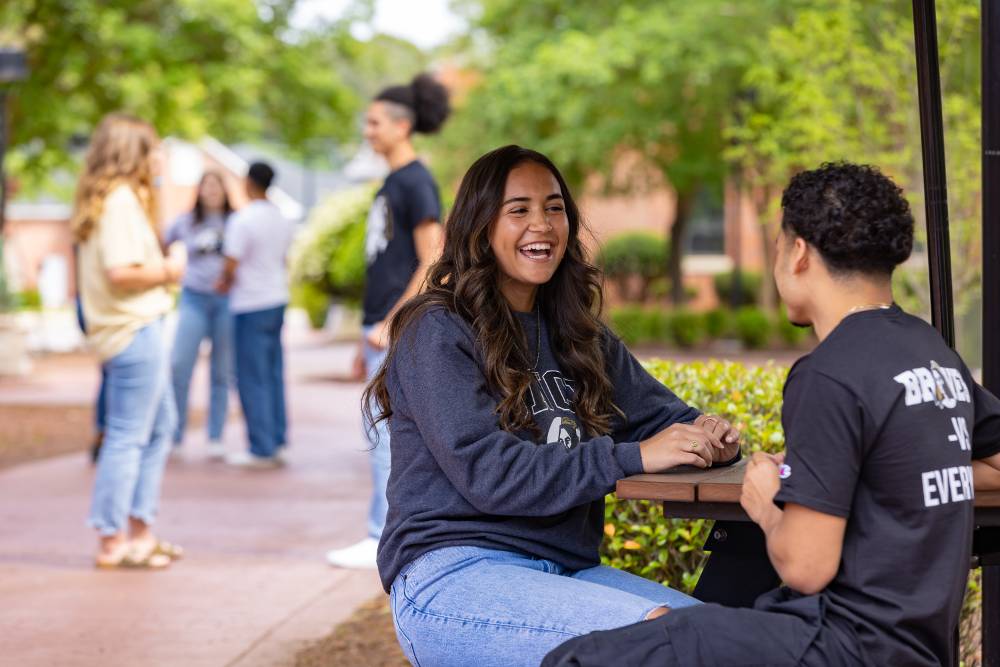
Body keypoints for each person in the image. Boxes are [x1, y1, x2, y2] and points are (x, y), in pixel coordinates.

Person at [542, 162, 1000, 667]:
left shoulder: (828, 374)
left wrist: (763, 502)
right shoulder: (932, 354)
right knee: (689, 624)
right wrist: (886, 472)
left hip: (839, 644)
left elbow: (805, 567)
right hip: (918, 646)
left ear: (799, 252)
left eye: (779, 244)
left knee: (580, 658)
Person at [364, 145, 742, 667]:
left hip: (566, 570)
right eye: (518, 209)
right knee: (673, 645)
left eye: (554, 207)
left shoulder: (577, 335)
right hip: (454, 576)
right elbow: (488, 471)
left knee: (730, 639)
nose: (541, 224)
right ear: (480, 224)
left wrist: (710, 434)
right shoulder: (438, 329)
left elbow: (664, 419)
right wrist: (631, 457)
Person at [325, 73, 451, 569]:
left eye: (374, 122)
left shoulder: (416, 180)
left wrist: (393, 321)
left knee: (383, 434)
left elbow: (434, 257)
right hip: (378, 324)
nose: (367, 131)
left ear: (402, 126)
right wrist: (366, 332)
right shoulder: (392, 182)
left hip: (394, 326)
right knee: (378, 430)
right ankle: (381, 532)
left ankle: (381, 536)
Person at [74, 112, 185, 569]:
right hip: (134, 330)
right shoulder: (119, 201)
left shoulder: (120, 200)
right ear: (133, 152)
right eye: (154, 146)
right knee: (128, 434)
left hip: (137, 327)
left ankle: (139, 531)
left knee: (158, 429)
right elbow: (120, 272)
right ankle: (111, 538)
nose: (160, 155)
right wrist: (170, 268)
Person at [217, 162, 295, 468]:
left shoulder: (243, 219)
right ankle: (276, 440)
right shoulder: (281, 217)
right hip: (277, 298)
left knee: (251, 376)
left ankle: (260, 448)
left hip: (250, 304)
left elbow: (231, 262)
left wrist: (223, 281)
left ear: (248, 182)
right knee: (274, 373)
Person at [165, 171, 234, 459]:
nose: (212, 190)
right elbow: (162, 242)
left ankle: (215, 436)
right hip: (193, 298)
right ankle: (175, 434)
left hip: (226, 301)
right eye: (206, 185)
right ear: (199, 190)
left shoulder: (235, 222)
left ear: (224, 190)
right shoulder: (184, 222)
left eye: (216, 184)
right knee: (180, 366)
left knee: (221, 371)